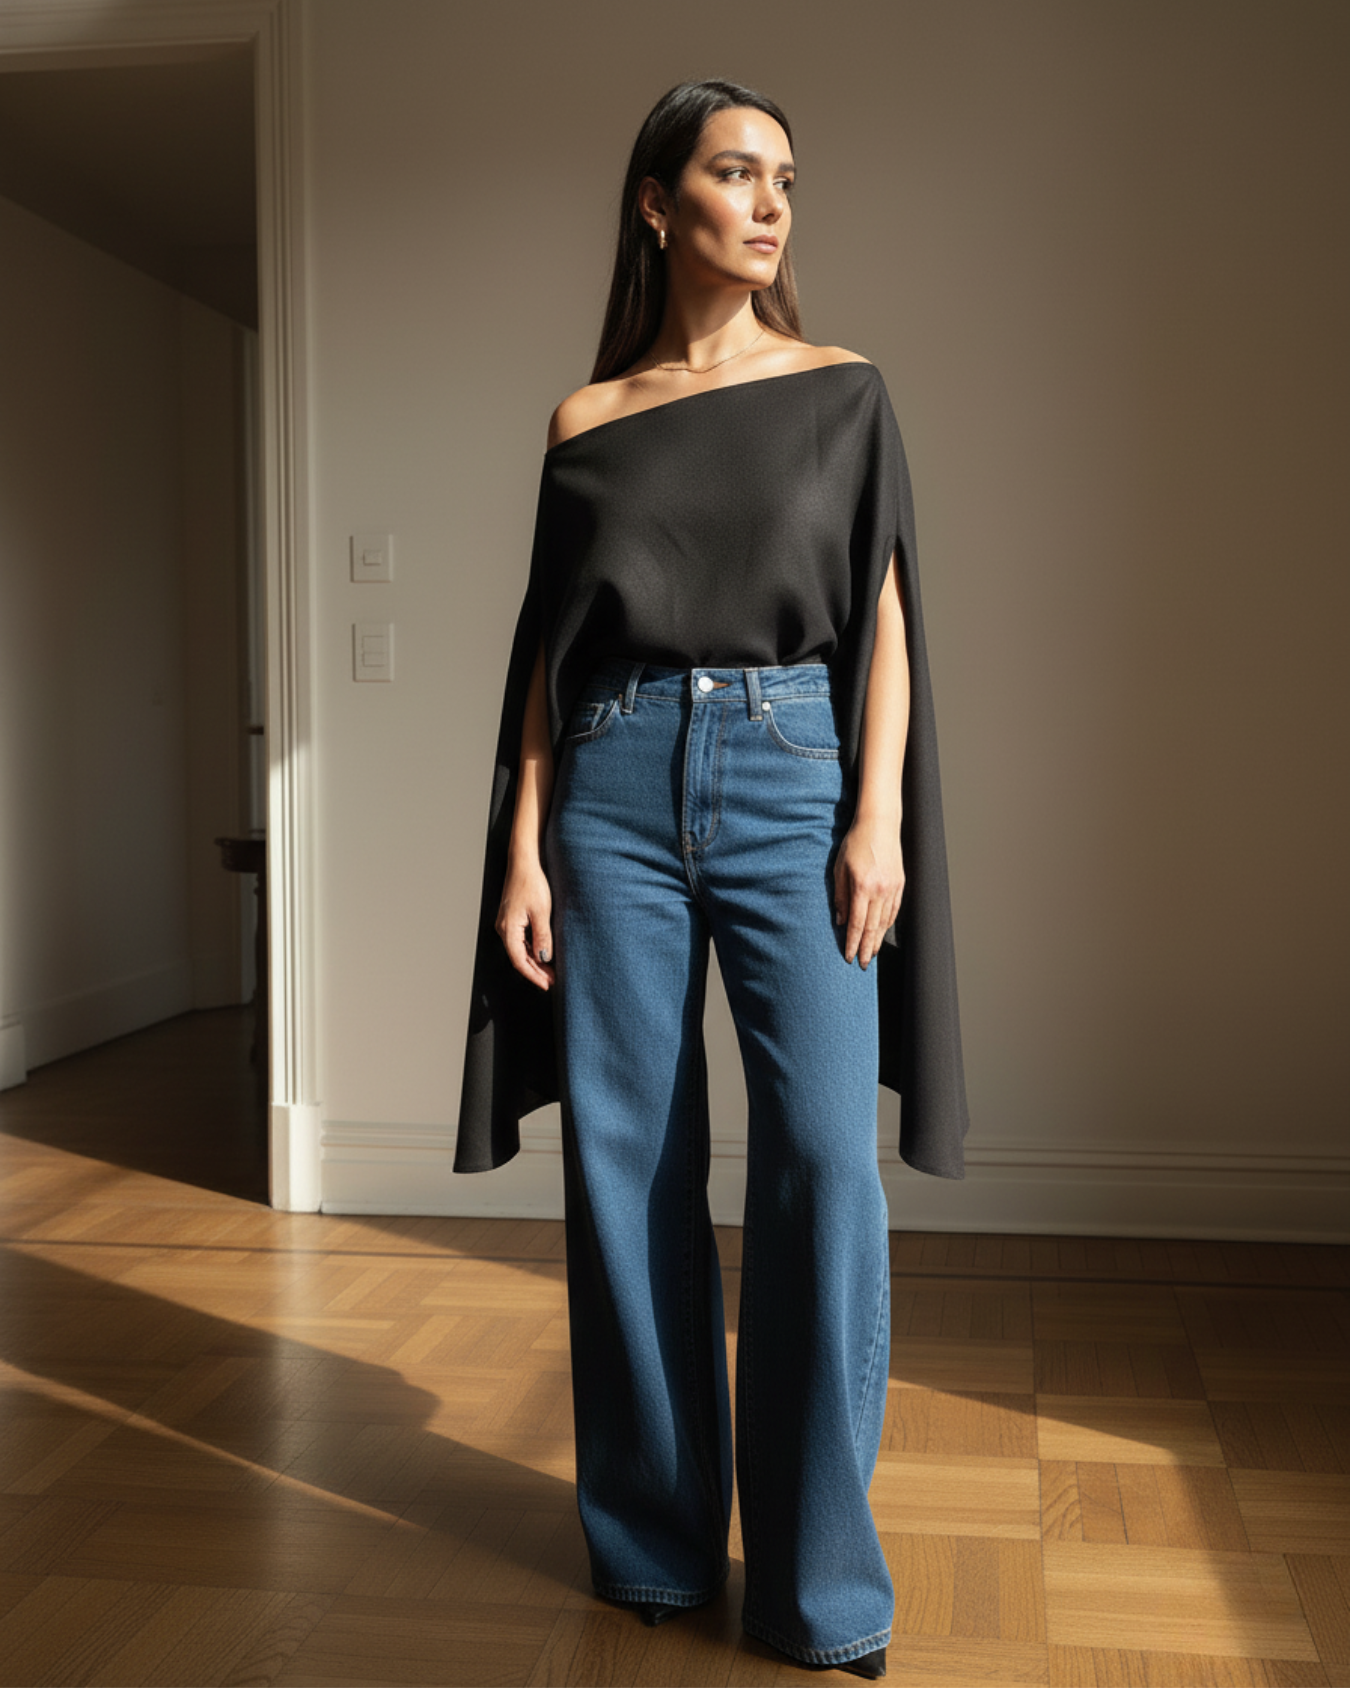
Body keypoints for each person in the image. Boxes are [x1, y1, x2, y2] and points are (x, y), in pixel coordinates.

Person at [455, 79, 969, 1679]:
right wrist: (528, 838)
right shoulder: (585, 422)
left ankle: (820, 1589)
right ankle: (656, 1541)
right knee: (631, 1168)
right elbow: (547, 653)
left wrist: (874, 815)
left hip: (789, 771)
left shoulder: (843, 390)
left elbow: (880, 616)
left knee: (822, 1162)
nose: (768, 205)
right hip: (606, 784)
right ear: (655, 203)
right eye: (735, 173)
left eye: (784, 181)